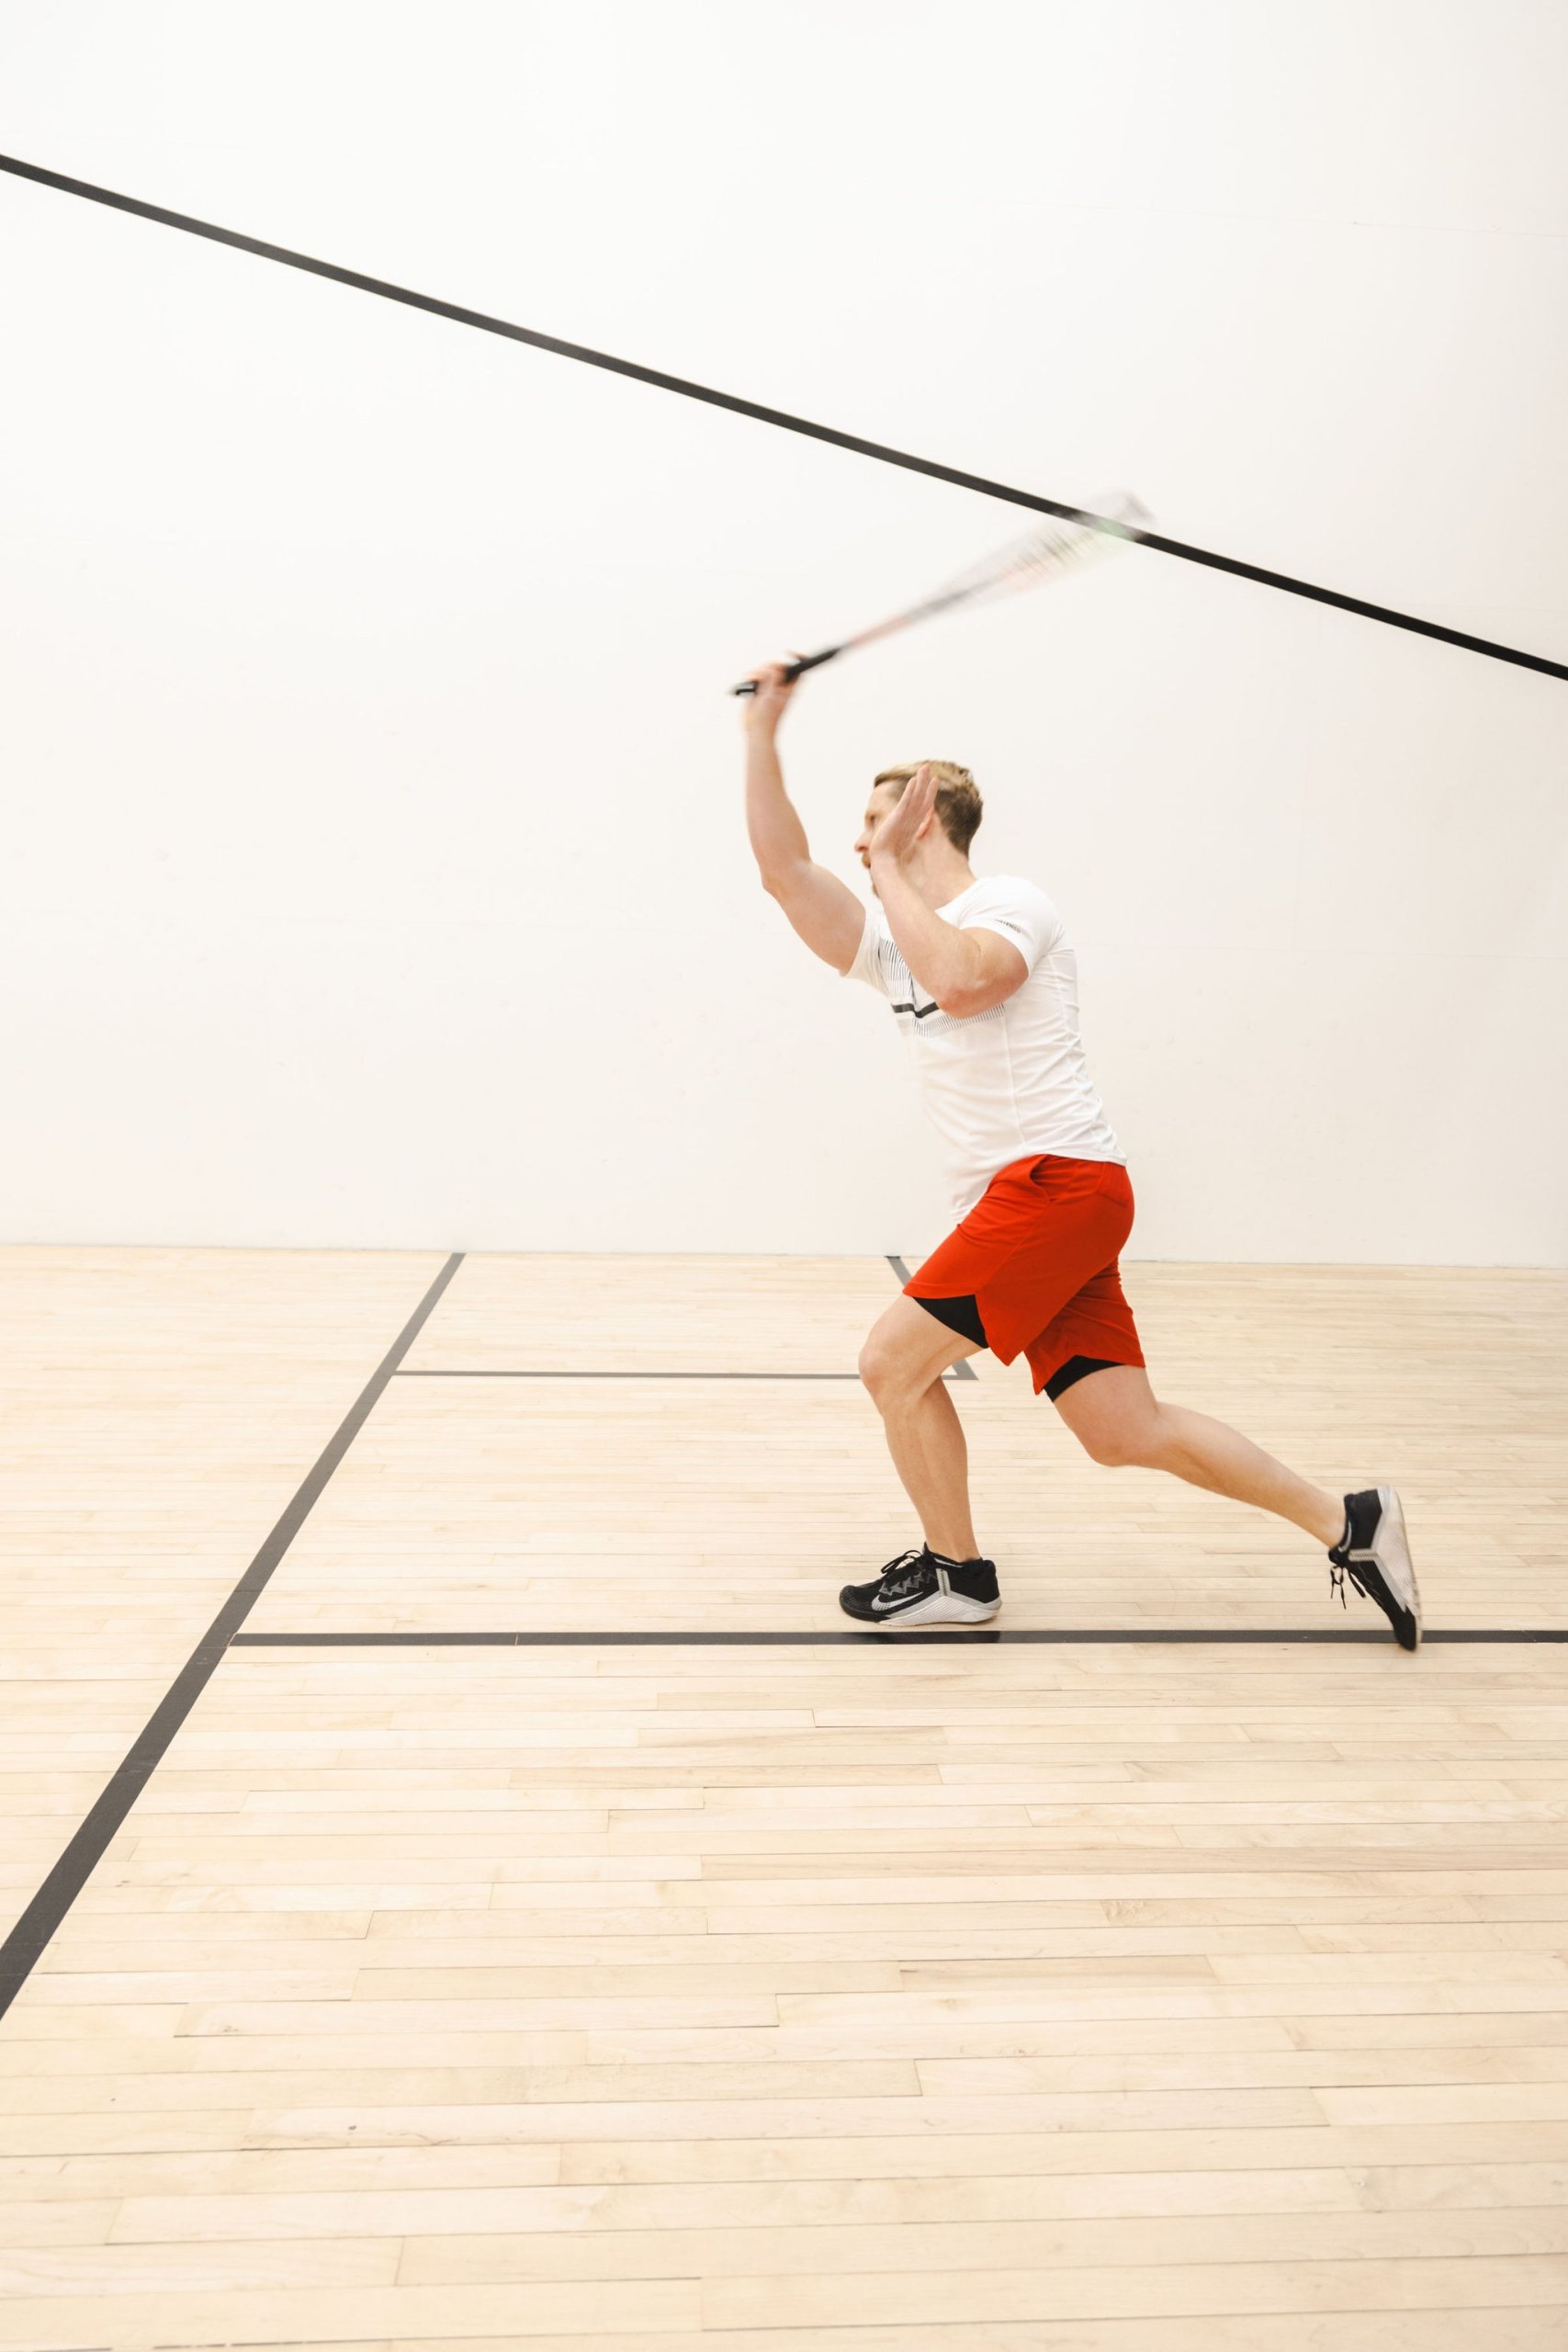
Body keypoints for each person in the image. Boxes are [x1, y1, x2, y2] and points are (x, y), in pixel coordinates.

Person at [740, 659, 1421, 1647]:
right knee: (1122, 1432)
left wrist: (886, 872)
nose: (857, 841)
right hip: (1041, 1206)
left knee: (891, 1363)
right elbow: (784, 873)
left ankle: (957, 1574)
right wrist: (761, 734)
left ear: (923, 817)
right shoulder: (896, 952)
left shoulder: (1013, 904)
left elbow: (969, 985)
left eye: (877, 821)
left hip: (1056, 1187)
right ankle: (1349, 1520)